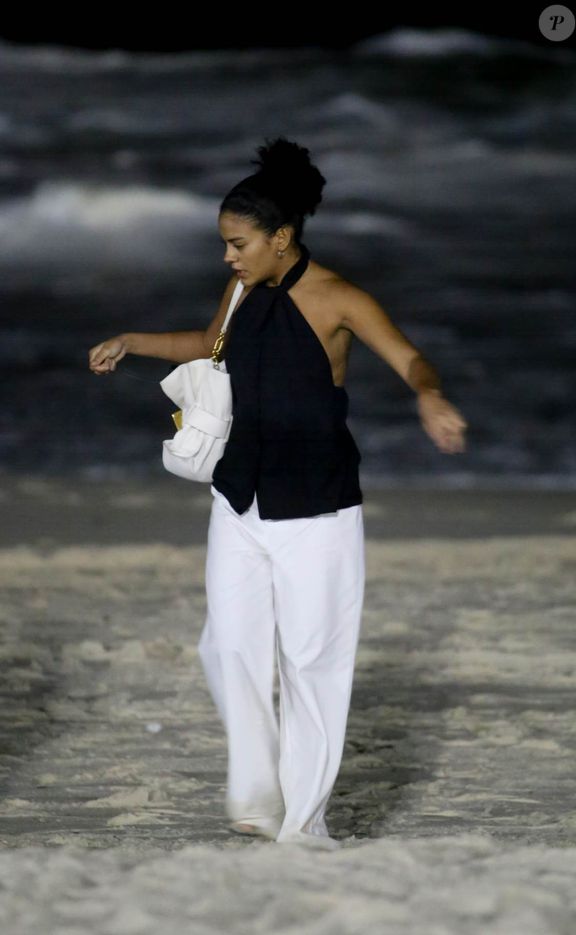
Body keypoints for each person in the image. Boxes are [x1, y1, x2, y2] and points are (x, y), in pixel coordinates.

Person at [89, 136, 468, 850]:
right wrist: (132, 339)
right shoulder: (240, 291)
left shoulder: (340, 298)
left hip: (317, 506)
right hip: (239, 495)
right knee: (226, 646)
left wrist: (430, 398)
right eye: (225, 244)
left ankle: (304, 823)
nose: (228, 257)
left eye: (238, 244)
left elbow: (411, 358)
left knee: (311, 661)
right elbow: (207, 343)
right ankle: (258, 792)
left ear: (281, 238)